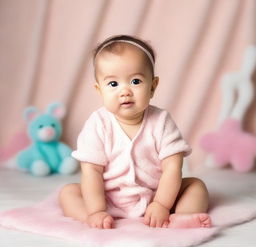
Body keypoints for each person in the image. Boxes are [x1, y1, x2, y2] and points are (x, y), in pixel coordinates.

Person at [59, 35, 211, 229]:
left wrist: (161, 204)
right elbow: (91, 171)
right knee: (68, 192)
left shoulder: (162, 121)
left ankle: (181, 217)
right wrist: (96, 209)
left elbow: (173, 167)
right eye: (113, 84)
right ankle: (94, 218)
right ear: (99, 90)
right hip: (109, 199)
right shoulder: (97, 124)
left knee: (196, 186)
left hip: (158, 194)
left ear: (153, 86)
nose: (125, 91)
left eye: (136, 81)